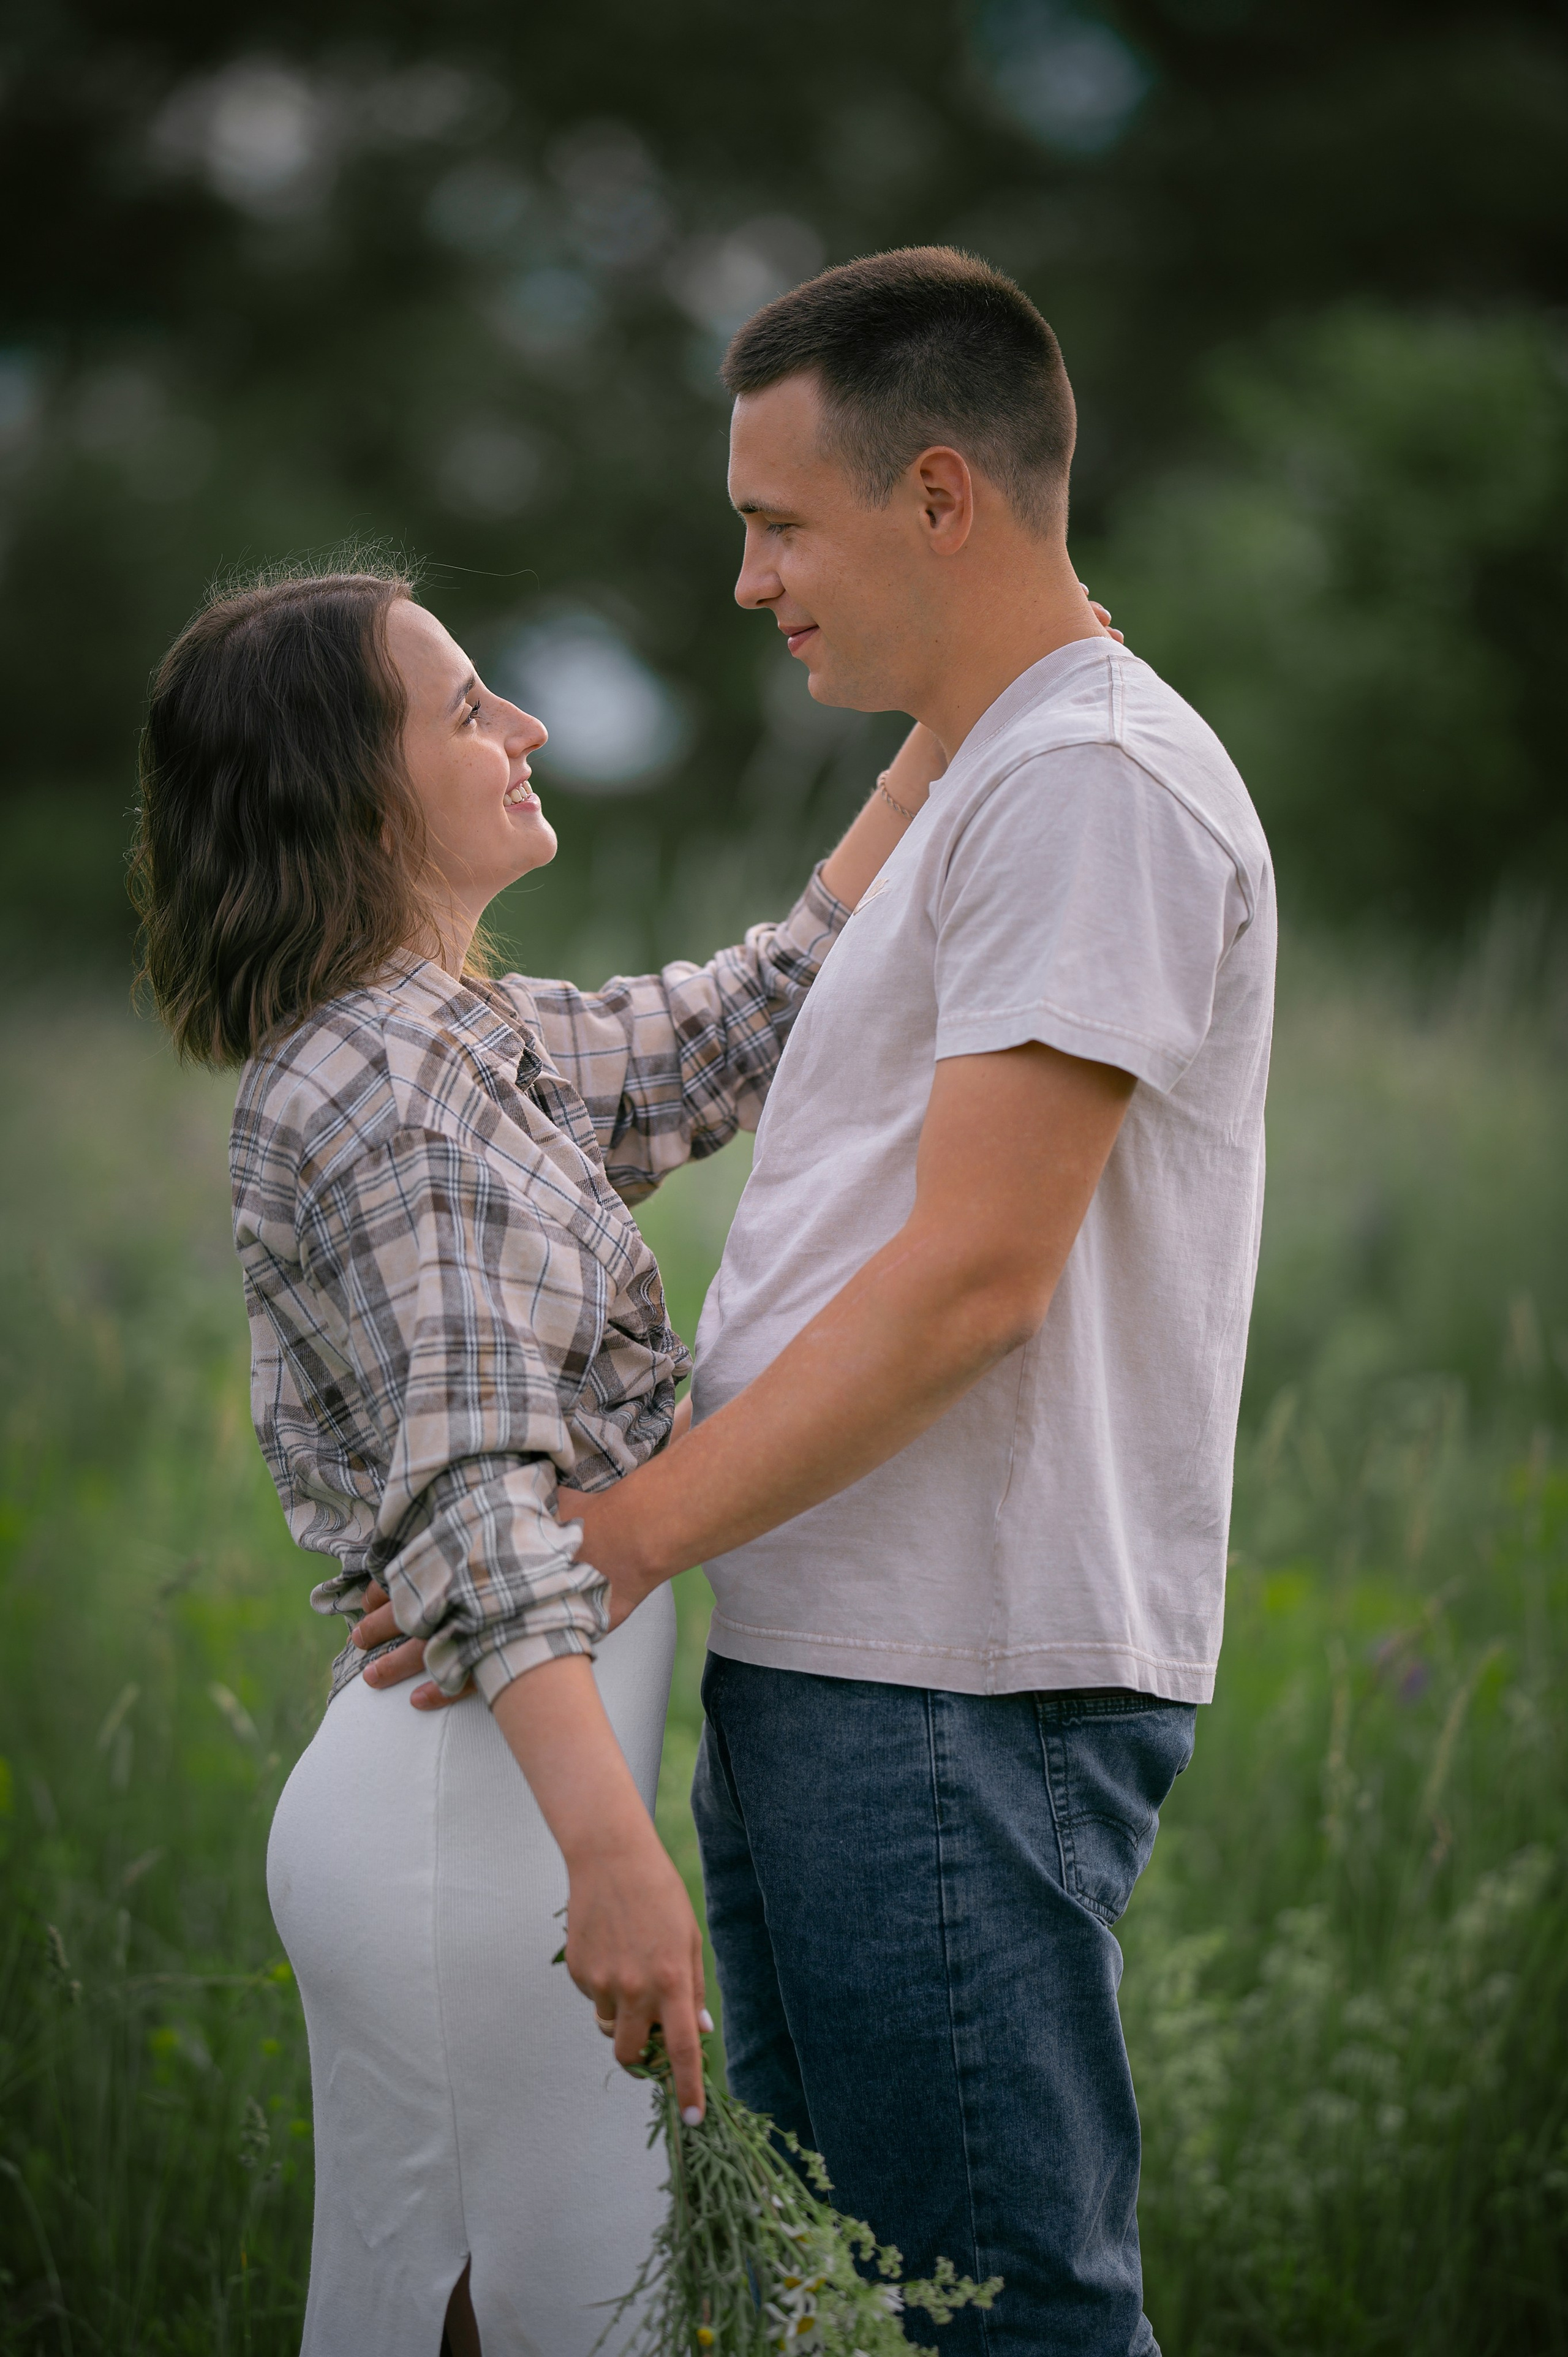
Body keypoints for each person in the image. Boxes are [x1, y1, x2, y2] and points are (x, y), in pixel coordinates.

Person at [370, 246, 1275, 2354]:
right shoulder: (1005, 763)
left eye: (780, 523)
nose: (756, 580)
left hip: (949, 1686)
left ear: (940, 497)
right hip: (856, 1668)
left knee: (991, 2317)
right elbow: (774, 1015)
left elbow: (973, 1283)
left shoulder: (1087, 783)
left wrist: (610, 1544)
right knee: (840, 2309)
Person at [127, 564, 956, 2355]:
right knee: (553, 2322)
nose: (528, 730)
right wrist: (617, 1858)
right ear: (354, 792)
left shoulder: (448, 1038)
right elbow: (476, 1521)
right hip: (485, 1828)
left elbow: (740, 1021)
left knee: (465, 2316)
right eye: (467, 708)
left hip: (483, 1804)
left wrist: (946, 718)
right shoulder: (397, 1093)